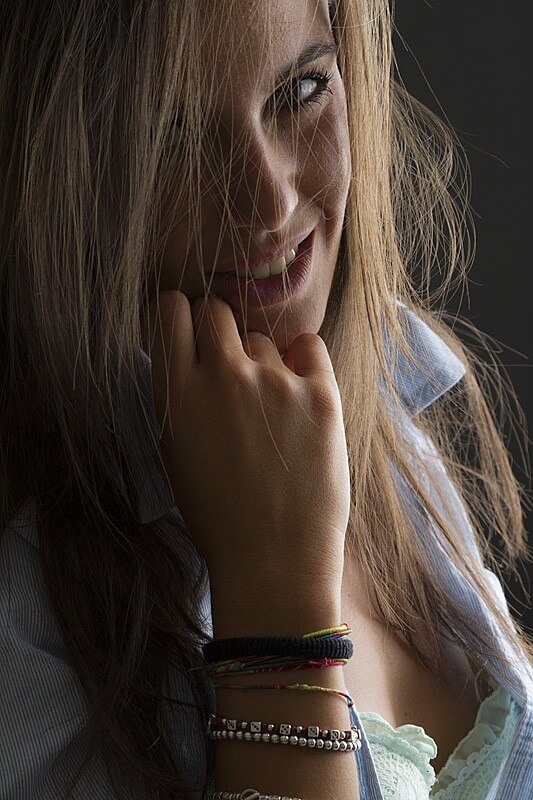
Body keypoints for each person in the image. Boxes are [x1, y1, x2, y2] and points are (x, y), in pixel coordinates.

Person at [0, 0, 531, 799]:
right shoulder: (29, 603)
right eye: (168, 135)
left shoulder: (388, 398)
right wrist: (274, 600)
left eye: (301, 91)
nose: (270, 203)